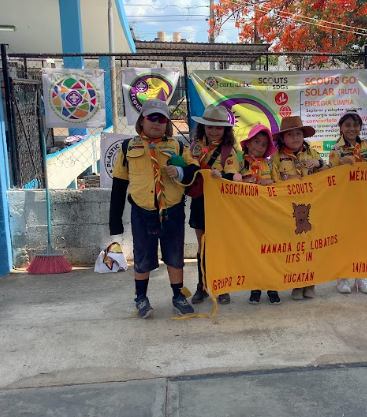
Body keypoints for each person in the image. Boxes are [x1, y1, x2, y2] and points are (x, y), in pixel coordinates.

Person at [109, 99, 200, 318]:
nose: (156, 123)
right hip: (143, 212)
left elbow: (194, 171)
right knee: (142, 257)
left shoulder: (177, 146)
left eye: (162, 119)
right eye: (152, 117)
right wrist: (115, 221)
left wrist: (180, 172)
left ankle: (178, 295)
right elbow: (119, 185)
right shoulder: (128, 147)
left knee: (175, 256)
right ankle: (141, 298)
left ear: (167, 123)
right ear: (142, 121)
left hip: (172, 211)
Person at [189, 104, 242, 305]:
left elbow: (234, 176)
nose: (213, 131)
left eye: (218, 127)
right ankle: (202, 286)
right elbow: (188, 169)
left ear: (225, 129)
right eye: (210, 126)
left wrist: (222, 176)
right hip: (200, 201)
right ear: (203, 127)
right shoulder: (194, 148)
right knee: (202, 246)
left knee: (220, 245)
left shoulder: (229, 150)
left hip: (221, 204)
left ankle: (223, 287)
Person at [272, 116, 327, 300]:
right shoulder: (277, 157)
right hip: (288, 209)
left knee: (310, 247)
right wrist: (287, 179)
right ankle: (296, 284)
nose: (295, 137)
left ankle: (310, 283)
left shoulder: (312, 153)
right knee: (294, 248)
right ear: (282, 138)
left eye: (298, 133)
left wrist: (319, 164)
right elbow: (273, 182)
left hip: (312, 207)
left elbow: (329, 174)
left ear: (303, 135)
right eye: (290, 134)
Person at [328, 109, 367, 295]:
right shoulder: (336, 150)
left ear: (360, 127)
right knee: (344, 239)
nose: (352, 128)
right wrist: (341, 167)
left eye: (355, 125)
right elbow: (330, 177)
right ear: (341, 128)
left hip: (365, 200)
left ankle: (361, 277)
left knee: (362, 239)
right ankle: (342, 277)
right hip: (344, 201)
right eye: (347, 125)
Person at [239, 124, 281, 305]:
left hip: (268, 215)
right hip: (248, 216)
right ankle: (255, 287)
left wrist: (270, 182)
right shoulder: (238, 164)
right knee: (254, 252)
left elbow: (280, 186)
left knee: (271, 252)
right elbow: (230, 184)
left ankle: (272, 287)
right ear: (248, 143)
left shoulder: (269, 164)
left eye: (264, 144)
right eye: (256, 142)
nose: (259, 147)